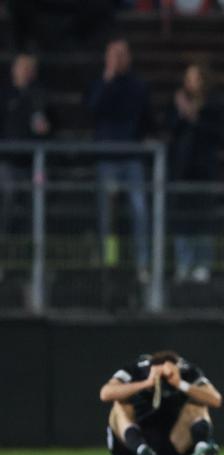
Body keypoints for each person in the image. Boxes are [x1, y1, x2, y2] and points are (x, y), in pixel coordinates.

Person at [86, 38, 156, 282]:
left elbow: (147, 117)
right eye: (112, 55)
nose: (117, 60)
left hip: (131, 158)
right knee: (108, 215)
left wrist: (146, 138)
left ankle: (142, 264)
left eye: (121, 55)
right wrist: (107, 80)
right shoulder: (99, 83)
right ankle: (110, 260)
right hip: (107, 159)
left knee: (140, 211)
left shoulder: (138, 85)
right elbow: (92, 110)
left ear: (129, 58)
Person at [100, 350, 223, 455]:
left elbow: (215, 399)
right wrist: (147, 383)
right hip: (131, 451)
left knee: (197, 405)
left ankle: (201, 448)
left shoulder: (187, 371)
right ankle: (142, 450)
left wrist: (179, 383)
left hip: (172, 446)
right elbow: (106, 393)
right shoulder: (137, 369)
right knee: (119, 405)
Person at [166, 62, 224, 284]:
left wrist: (195, 118)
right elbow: (169, 129)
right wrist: (182, 114)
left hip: (204, 170)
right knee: (182, 221)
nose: (191, 83)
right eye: (188, 78)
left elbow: (219, 135)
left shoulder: (213, 105)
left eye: (196, 78)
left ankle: (202, 264)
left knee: (203, 221)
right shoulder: (177, 104)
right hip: (182, 170)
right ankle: (184, 263)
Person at [0, 54, 52, 280]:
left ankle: (34, 265)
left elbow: (49, 127)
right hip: (8, 162)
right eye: (21, 68)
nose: (24, 72)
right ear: (14, 71)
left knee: (36, 209)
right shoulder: (5, 96)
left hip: (33, 163)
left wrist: (46, 128)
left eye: (28, 68)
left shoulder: (39, 96)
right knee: (8, 203)